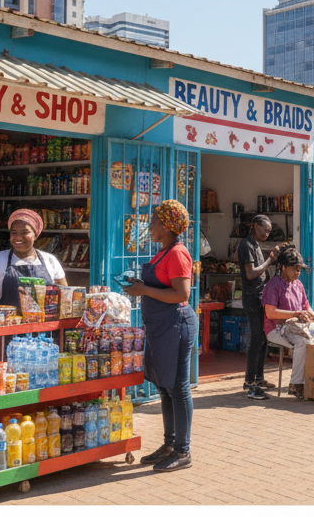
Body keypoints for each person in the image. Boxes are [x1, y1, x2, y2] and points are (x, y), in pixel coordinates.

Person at [122, 200, 197, 472]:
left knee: (178, 387)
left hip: (176, 324)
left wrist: (144, 290)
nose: (149, 226)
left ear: (166, 226)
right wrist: (139, 285)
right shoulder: (162, 253)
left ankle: (183, 451)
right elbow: (160, 284)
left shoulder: (177, 253)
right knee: (165, 387)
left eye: (153, 221)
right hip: (160, 327)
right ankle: (169, 444)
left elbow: (181, 294)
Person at [263, 244, 314, 400]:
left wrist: (312, 315)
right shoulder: (273, 285)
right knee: (304, 342)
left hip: (297, 325)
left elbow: (306, 305)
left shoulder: (298, 284)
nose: (298, 273)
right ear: (283, 267)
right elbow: (270, 313)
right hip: (277, 328)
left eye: (299, 270)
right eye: (295, 269)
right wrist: (296, 313)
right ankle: (296, 384)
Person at [0, 209, 67, 305]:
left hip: (44, 315)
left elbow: (65, 298)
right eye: (14, 233)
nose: (18, 237)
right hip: (6, 315)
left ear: (36, 235)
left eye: (25, 232)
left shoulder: (50, 260)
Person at [237, 215, 280, 400]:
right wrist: (269, 260)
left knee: (263, 337)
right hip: (252, 298)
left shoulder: (255, 245)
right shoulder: (246, 245)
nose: (267, 234)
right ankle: (249, 381)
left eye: (269, 231)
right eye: (265, 229)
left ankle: (259, 377)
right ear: (255, 226)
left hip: (261, 297)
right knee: (257, 338)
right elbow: (250, 273)